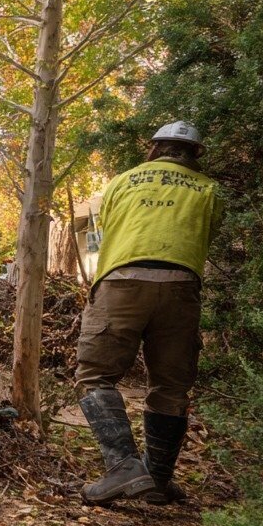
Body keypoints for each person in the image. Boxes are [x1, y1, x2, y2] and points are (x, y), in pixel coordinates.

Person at [75, 121, 224, 505]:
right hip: (181, 287)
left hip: (121, 282)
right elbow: (207, 235)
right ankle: (157, 479)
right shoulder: (208, 189)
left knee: (95, 375)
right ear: (194, 156)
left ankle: (124, 466)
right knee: (171, 386)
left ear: (154, 149)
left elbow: (111, 226)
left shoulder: (122, 181)